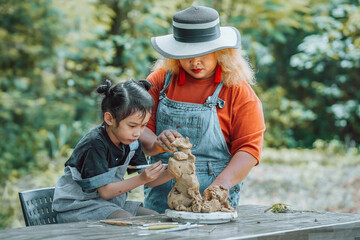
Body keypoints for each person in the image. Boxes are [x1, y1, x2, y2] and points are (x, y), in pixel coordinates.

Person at [140, 6, 266, 213]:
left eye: (204, 53)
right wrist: (155, 143)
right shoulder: (159, 81)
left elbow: (249, 149)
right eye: (187, 53)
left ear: (221, 52)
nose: (195, 61)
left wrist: (220, 187)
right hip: (161, 193)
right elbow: (137, 128)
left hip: (214, 194)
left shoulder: (237, 90)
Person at [52, 79, 173, 223]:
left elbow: (150, 183)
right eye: (132, 125)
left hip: (108, 205)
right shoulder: (95, 144)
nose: (138, 133)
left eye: (143, 126)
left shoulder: (131, 142)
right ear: (109, 119)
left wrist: (173, 171)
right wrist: (142, 178)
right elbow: (106, 192)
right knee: (126, 220)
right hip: (79, 207)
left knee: (154, 216)